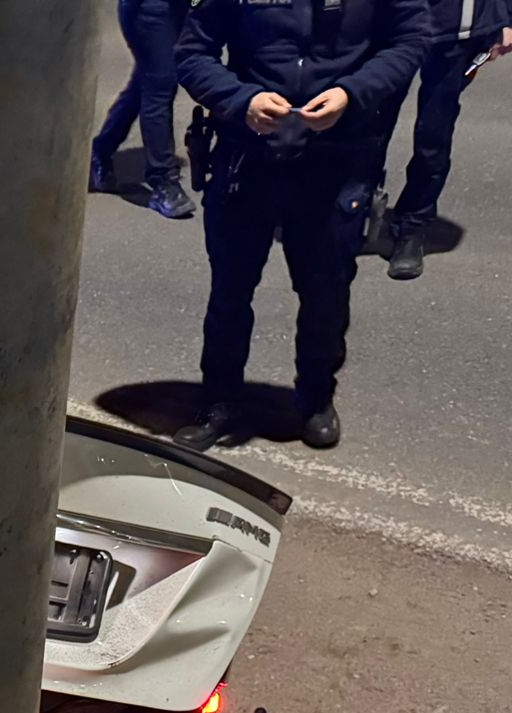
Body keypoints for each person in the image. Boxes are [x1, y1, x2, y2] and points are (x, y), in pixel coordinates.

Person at [173, 0, 431, 451]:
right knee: (229, 293)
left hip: (336, 161)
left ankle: (316, 398)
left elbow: (410, 40)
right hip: (246, 159)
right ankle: (219, 400)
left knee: (326, 295)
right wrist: (242, 100)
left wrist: (352, 93)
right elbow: (193, 53)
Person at [374, 2, 512, 279]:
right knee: (370, 125)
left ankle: (412, 226)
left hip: (461, 31)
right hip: (390, 24)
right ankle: (357, 210)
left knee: (433, 135)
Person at [91, 0, 198, 218]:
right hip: (149, 9)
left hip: (182, 7)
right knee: (160, 85)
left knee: (145, 85)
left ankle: (102, 148)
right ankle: (163, 180)